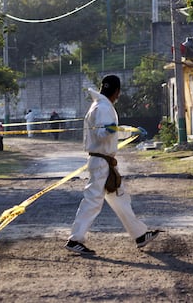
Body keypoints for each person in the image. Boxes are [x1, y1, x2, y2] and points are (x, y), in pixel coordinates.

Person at [65, 75, 160, 255]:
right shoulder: (102, 108)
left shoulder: (100, 106)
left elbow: (111, 132)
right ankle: (75, 239)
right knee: (93, 201)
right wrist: (111, 130)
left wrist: (131, 133)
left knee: (120, 199)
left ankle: (140, 234)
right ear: (117, 91)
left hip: (104, 162)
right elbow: (103, 133)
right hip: (101, 162)